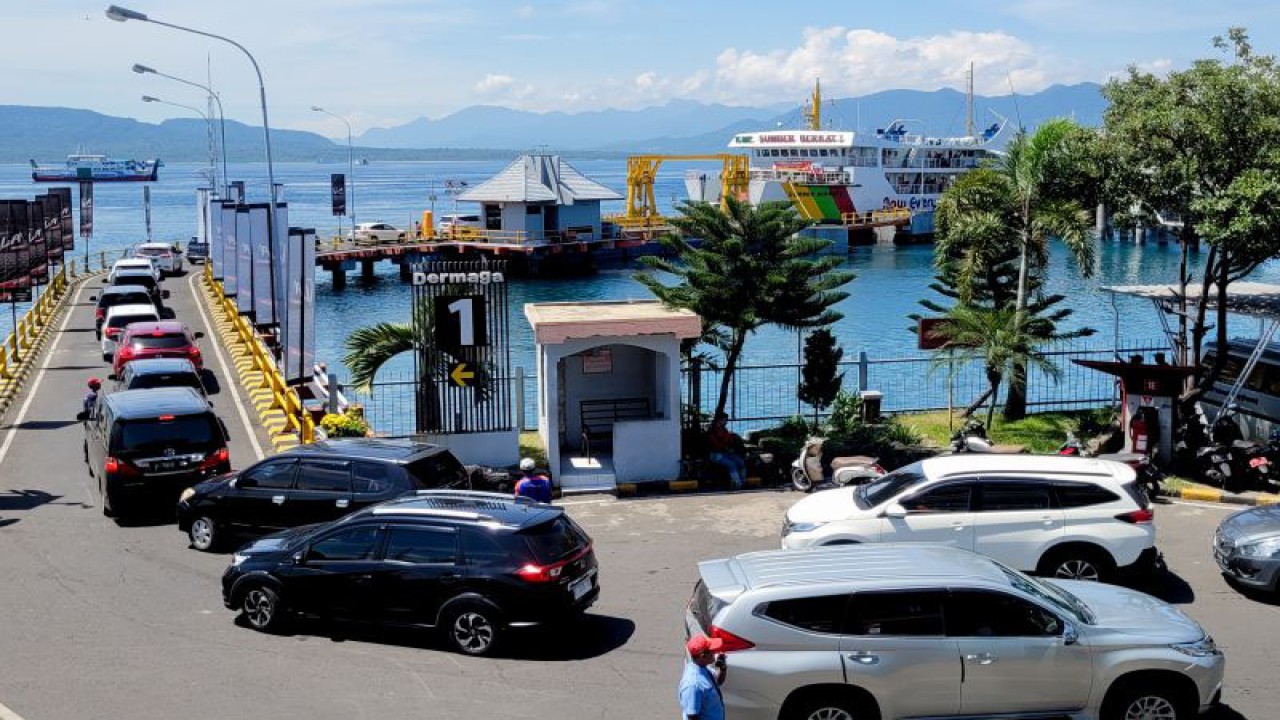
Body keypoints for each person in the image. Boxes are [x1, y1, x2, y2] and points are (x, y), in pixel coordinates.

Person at [678, 634, 726, 720]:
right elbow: (692, 717)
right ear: (703, 655)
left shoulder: (702, 667)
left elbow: (717, 683)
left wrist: (723, 668)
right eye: (712, 650)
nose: (715, 652)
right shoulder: (693, 685)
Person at [707, 413, 747, 490]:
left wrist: (730, 444)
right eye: (724, 420)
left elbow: (730, 440)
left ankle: (743, 481)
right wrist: (726, 444)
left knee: (741, 462)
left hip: (726, 453)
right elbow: (716, 445)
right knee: (731, 464)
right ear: (719, 421)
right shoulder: (712, 431)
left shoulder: (724, 429)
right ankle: (737, 483)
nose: (726, 422)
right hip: (715, 454)